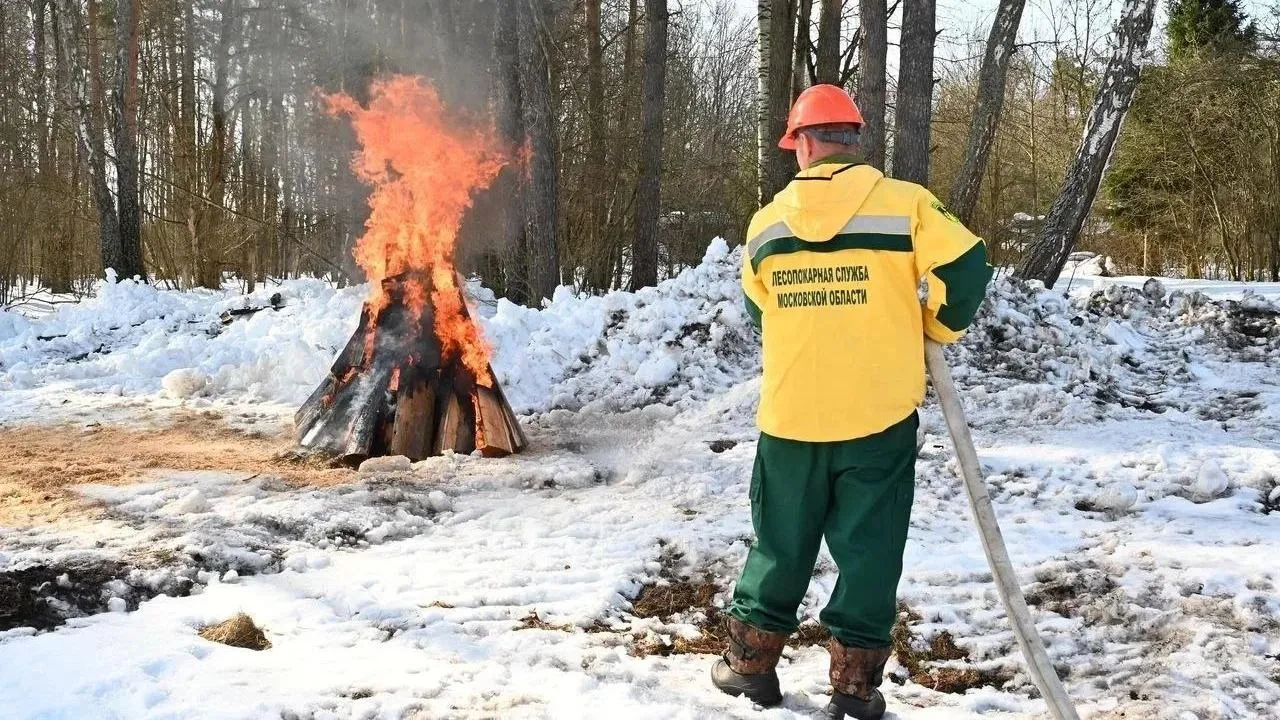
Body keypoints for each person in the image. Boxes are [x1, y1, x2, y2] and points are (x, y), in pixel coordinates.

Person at [710, 84, 994, 720]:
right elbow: (968, 266)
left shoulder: (767, 224)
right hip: (878, 416)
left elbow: (762, 307)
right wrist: (934, 325)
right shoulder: (906, 205)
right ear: (855, 140)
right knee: (870, 547)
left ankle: (749, 669)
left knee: (780, 541)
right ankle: (854, 691)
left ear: (804, 143)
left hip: (790, 418)